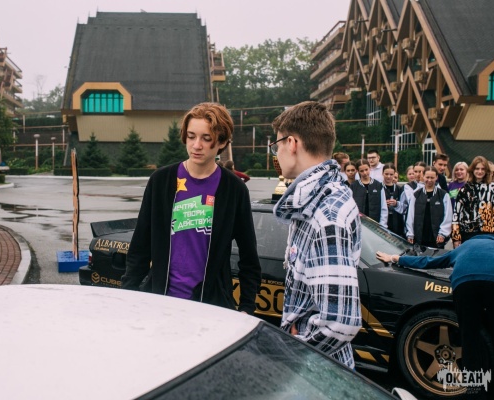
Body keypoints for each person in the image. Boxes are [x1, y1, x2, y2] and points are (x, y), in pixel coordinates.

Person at [121, 102, 262, 314]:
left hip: (212, 307)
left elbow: (249, 256)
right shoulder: (161, 181)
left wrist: (247, 307)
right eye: (191, 136)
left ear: (222, 142)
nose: (196, 145)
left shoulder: (234, 189)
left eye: (206, 138)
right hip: (160, 303)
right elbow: (140, 246)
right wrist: (127, 295)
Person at [270, 101, 361, 369]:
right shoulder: (320, 198)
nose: (276, 154)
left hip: (316, 373)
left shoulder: (326, 215)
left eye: (276, 146)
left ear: (291, 143)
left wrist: (295, 352)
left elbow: (340, 323)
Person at [375, 235, 494, 399]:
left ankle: (476, 393)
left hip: (464, 284)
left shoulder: (464, 247)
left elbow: (428, 262)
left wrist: (395, 258)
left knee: (470, 339)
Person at [451, 156, 494, 247]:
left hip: (490, 234)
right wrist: (456, 237)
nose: (480, 171)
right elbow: (456, 214)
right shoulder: (464, 190)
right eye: (477, 168)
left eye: (483, 169)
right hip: (468, 234)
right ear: (472, 170)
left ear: (487, 171)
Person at [405, 167, 452, 248]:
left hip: (436, 237)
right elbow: (410, 216)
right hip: (419, 236)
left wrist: (442, 233)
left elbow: (448, 216)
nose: (429, 180)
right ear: (423, 177)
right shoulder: (416, 195)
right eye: (427, 177)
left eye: (432, 177)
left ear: (436, 177)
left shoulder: (444, 195)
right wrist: (410, 234)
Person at [351, 159, 388, 228]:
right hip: (359, 224)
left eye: (366, 169)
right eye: (361, 171)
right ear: (357, 171)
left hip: (375, 224)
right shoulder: (353, 186)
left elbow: (383, 207)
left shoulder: (378, 185)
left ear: (370, 168)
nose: (365, 173)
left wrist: (383, 225)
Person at [382, 163, 405, 237]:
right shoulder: (378, 187)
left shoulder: (399, 189)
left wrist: (396, 204)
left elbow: (404, 207)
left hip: (397, 223)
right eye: (386, 174)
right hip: (384, 222)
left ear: (394, 174)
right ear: (382, 173)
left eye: (391, 174)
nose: (389, 176)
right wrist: (383, 204)